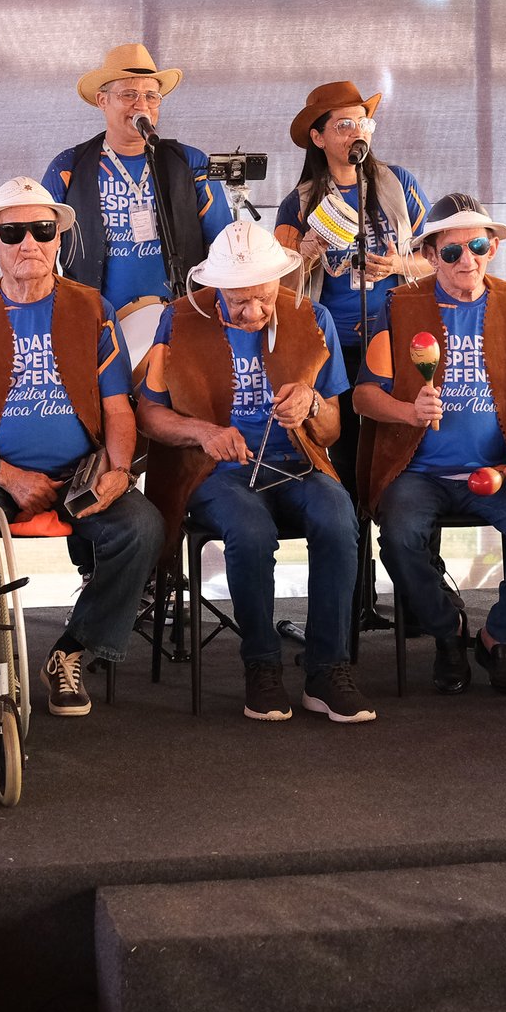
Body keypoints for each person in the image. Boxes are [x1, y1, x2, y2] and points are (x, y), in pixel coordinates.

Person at [0, 176, 162, 717]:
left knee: (142, 528)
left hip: (80, 473)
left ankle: (71, 650)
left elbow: (119, 408)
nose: (29, 242)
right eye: (13, 232)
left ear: (58, 239)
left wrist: (119, 471)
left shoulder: (92, 308)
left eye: (43, 230)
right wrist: (6, 475)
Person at [137, 220, 371, 723]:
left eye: (263, 298)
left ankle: (327, 670)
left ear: (278, 281)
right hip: (216, 471)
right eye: (238, 301)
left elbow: (332, 430)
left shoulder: (313, 317)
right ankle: (261, 666)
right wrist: (203, 432)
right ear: (216, 287)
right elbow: (149, 415)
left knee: (338, 519)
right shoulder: (178, 319)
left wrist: (311, 404)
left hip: (299, 464)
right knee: (249, 530)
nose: (254, 312)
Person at [355, 194, 506, 695]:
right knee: (399, 537)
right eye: (452, 251)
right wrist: (408, 411)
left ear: (492, 248)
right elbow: (363, 397)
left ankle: (497, 638)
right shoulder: (400, 305)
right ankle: (448, 632)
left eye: (478, 246)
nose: (468, 260)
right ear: (429, 255)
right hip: (419, 471)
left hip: (496, 468)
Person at [272, 80, 431, 487]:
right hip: (335, 345)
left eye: (363, 123)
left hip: (395, 337)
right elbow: (280, 289)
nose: (357, 132)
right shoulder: (297, 203)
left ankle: (397, 520)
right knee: (346, 450)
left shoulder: (399, 184)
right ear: (318, 137)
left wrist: (397, 264)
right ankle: (354, 524)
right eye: (344, 125)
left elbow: (438, 260)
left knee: (401, 442)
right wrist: (306, 254)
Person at [44, 42, 233, 314]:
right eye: (129, 94)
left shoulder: (191, 163)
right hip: (95, 321)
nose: (142, 105)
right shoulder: (68, 166)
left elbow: (224, 244)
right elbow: (39, 246)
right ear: (103, 100)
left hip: (181, 318)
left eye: (151, 96)